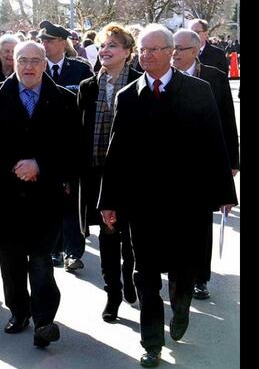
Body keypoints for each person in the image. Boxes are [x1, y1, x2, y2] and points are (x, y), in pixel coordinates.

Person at [98, 24, 237, 368]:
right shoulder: (128, 96)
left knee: (183, 269)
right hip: (141, 203)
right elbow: (116, 154)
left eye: (154, 50)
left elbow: (214, 144)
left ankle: (181, 306)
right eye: (142, 50)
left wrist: (224, 191)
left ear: (170, 52)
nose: (146, 56)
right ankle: (152, 343)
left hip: (187, 202)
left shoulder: (198, 90)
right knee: (144, 275)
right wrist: (108, 202)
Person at [0, 40, 82, 348]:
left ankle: (44, 320)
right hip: (6, 193)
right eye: (23, 60)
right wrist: (15, 166)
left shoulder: (63, 100)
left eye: (36, 60)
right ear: (14, 62)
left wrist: (40, 166)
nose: (29, 66)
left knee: (42, 260)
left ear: (45, 64)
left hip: (45, 195)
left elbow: (72, 146)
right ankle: (19, 311)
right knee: (12, 261)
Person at [78, 23, 142, 322]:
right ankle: (112, 293)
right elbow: (79, 131)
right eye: (102, 45)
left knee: (130, 234)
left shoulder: (140, 84)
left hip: (130, 173)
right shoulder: (88, 86)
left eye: (112, 45)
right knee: (107, 233)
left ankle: (130, 280)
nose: (105, 50)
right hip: (96, 172)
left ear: (128, 52)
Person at [172, 29, 240, 301]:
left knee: (201, 224)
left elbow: (227, 120)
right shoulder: (163, 76)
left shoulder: (214, 77)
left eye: (180, 48)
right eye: (172, 47)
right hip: (170, 165)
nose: (174, 52)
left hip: (203, 163)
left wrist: (232, 162)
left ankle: (201, 277)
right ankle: (177, 273)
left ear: (196, 50)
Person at [37, 19, 93, 270]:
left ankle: (73, 252)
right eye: (42, 41)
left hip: (71, 141)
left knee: (72, 199)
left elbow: (89, 98)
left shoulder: (80, 68)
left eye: (49, 41)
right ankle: (53, 249)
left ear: (62, 43)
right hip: (44, 143)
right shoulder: (35, 67)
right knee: (49, 199)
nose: (45, 45)